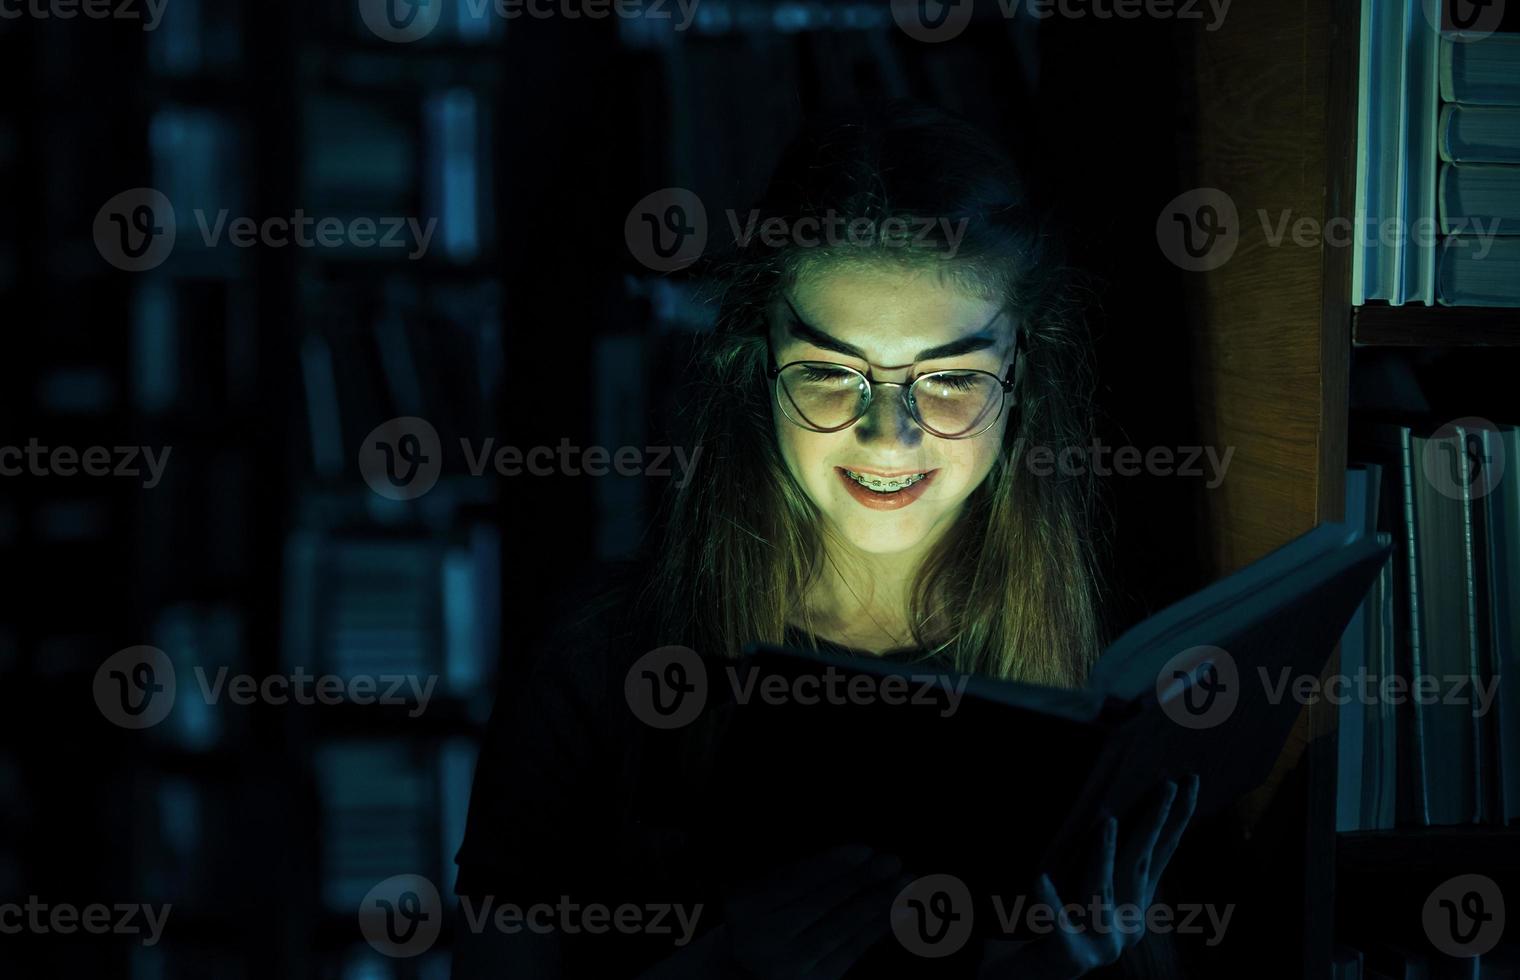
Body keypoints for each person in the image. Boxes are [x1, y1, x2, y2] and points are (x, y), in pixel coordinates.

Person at [451, 100, 1198, 980]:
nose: (890, 434)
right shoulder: (600, 658)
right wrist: (725, 969)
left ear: (1020, 373)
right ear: (757, 365)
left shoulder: (1109, 673)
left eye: (951, 377)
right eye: (831, 374)